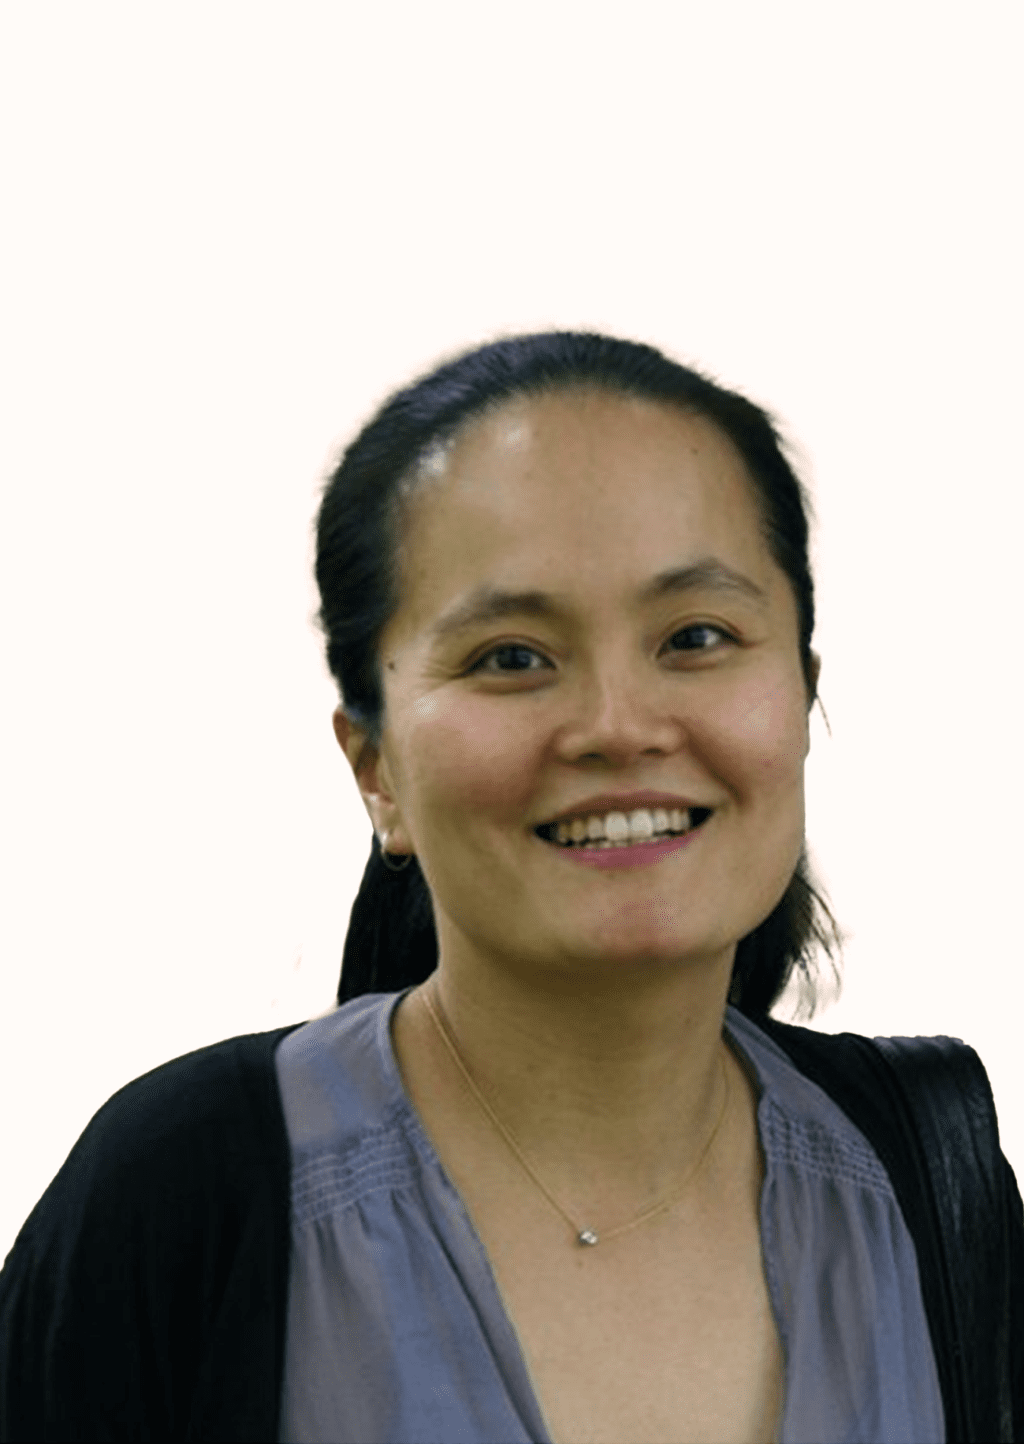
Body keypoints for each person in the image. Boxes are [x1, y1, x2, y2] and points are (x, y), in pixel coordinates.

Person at [0, 332, 1019, 1444]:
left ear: (800, 693)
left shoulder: (927, 1180)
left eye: (696, 635)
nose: (619, 725)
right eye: (511, 657)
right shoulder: (182, 1196)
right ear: (375, 765)